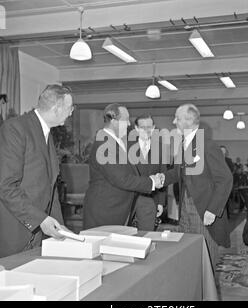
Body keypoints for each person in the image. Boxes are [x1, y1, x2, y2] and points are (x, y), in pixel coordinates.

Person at [0, 84, 74, 258]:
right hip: (15, 233)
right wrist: (41, 220)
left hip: (38, 235)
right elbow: (5, 185)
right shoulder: (15, 129)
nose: (71, 113)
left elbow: (50, 188)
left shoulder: (46, 133)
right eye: (70, 108)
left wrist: (59, 227)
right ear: (57, 109)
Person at [162, 103, 233, 269]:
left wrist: (213, 210)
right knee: (190, 255)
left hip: (203, 210)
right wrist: (159, 178)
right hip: (185, 209)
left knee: (205, 260)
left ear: (189, 120)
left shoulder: (207, 145)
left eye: (177, 118)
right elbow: (177, 173)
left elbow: (225, 179)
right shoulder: (183, 144)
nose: (174, 121)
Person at [83, 103, 163, 229]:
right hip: (105, 212)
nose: (129, 124)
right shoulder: (105, 144)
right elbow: (122, 179)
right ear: (114, 122)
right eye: (126, 120)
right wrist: (152, 182)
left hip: (114, 209)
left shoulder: (115, 142)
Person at [129, 115, 167, 231]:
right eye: (142, 127)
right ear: (136, 128)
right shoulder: (126, 147)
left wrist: (161, 202)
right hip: (129, 199)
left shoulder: (161, 149)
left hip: (151, 199)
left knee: (147, 235)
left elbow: (163, 176)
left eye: (149, 127)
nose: (146, 130)